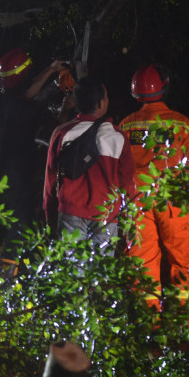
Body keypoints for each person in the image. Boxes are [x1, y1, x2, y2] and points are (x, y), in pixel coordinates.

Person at [119, 65, 189, 311]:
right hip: (173, 202)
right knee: (185, 260)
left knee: (141, 264)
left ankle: (149, 331)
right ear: (165, 87)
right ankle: (185, 329)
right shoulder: (182, 124)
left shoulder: (125, 126)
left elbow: (120, 169)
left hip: (137, 204)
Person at [0, 49, 73, 272]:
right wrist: (66, 108)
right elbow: (56, 128)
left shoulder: (5, 102)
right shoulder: (29, 109)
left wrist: (52, 69)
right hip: (21, 179)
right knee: (18, 231)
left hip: (0, 177)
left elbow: (26, 93)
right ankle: (7, 283)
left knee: (2, 231)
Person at [43, 76, 135, 255]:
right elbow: (128, 184)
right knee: (100, 276)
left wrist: (50, 216)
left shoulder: (62, 133)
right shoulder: (118, 136)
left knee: (71, 276)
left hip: (70, 212)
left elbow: (51, 179)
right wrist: (129, 219)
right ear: (100, 103)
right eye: (106, 96)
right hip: (106, 217)